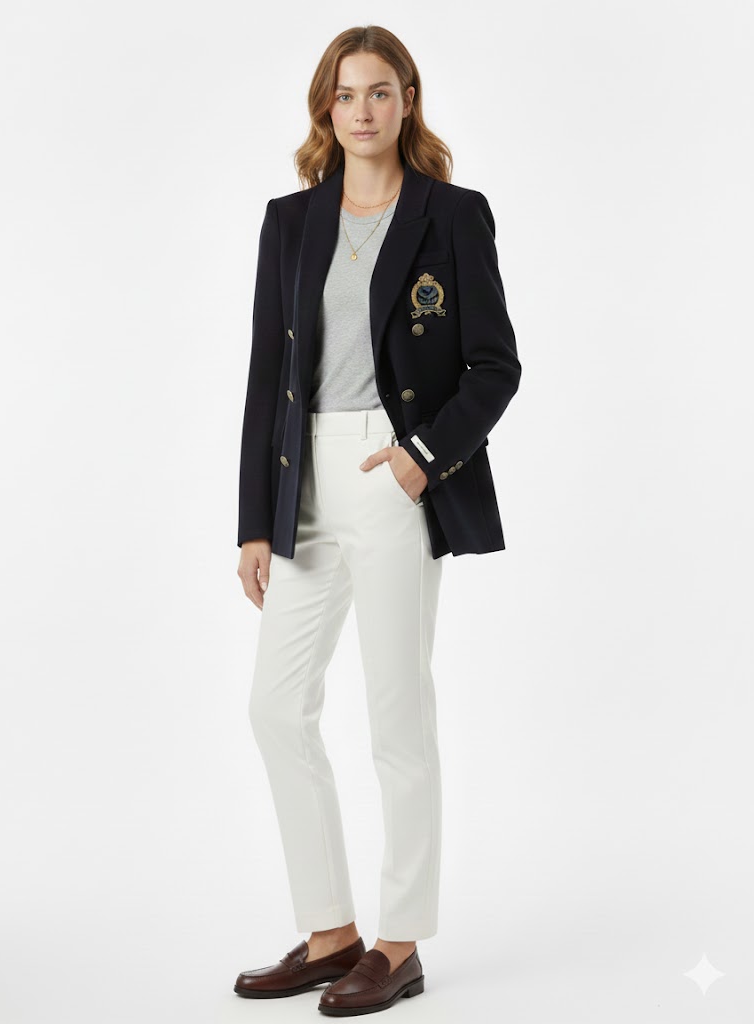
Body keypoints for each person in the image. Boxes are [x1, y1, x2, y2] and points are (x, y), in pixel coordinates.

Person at [234, 25, 521, 1016]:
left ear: (407, 100)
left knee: (398, 713)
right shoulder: (289, 222)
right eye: (346, 94)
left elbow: (495, 366)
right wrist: (254, 521)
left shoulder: (452, 214)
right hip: (303, 481)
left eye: (380, 92)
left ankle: (397, 944)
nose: (363, 110)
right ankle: (331, 933)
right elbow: (267, 376)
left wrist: (419, 457)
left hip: (396, 475)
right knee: (277, 707)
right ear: (327, 107)